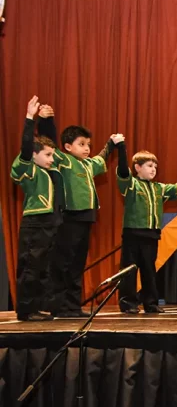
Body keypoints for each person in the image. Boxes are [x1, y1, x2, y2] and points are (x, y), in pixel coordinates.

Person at [36, 105, 119, 317]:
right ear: (67, 147)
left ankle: (73, 305)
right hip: (69, 218)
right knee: (62, 262)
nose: (86, 148)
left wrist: (111, 143)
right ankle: (57, 305)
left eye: (88, 144)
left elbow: (101, 158)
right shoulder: (64, 160)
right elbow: (49, 142)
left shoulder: (89, 164)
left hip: (86, 219)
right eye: (81, 144)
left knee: (77, 263)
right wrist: (46, 121)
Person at [115, 141, 177, 313]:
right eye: (149, 166)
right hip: (133, 233)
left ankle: (151, 303)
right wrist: (121, 148)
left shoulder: (159, 188)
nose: (153, 169)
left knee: (149, 270)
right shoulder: (131, 184)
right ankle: (128, 304)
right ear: (137, 167)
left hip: (151, 235)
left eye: (155, 166)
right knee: (129, 270)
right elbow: (123, 172)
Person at [10, 97, 63, 321]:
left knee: (44, 267)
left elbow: (49, 140)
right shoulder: (28, 169)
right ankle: (26, 310)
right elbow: (26, 147)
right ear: (34, 155)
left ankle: (38, 307)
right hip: (35, 223)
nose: (52, 159)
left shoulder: (48, 171)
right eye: (48, 155)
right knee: (30, 267)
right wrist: (30, 118)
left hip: (49, 222)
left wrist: (47, 120)